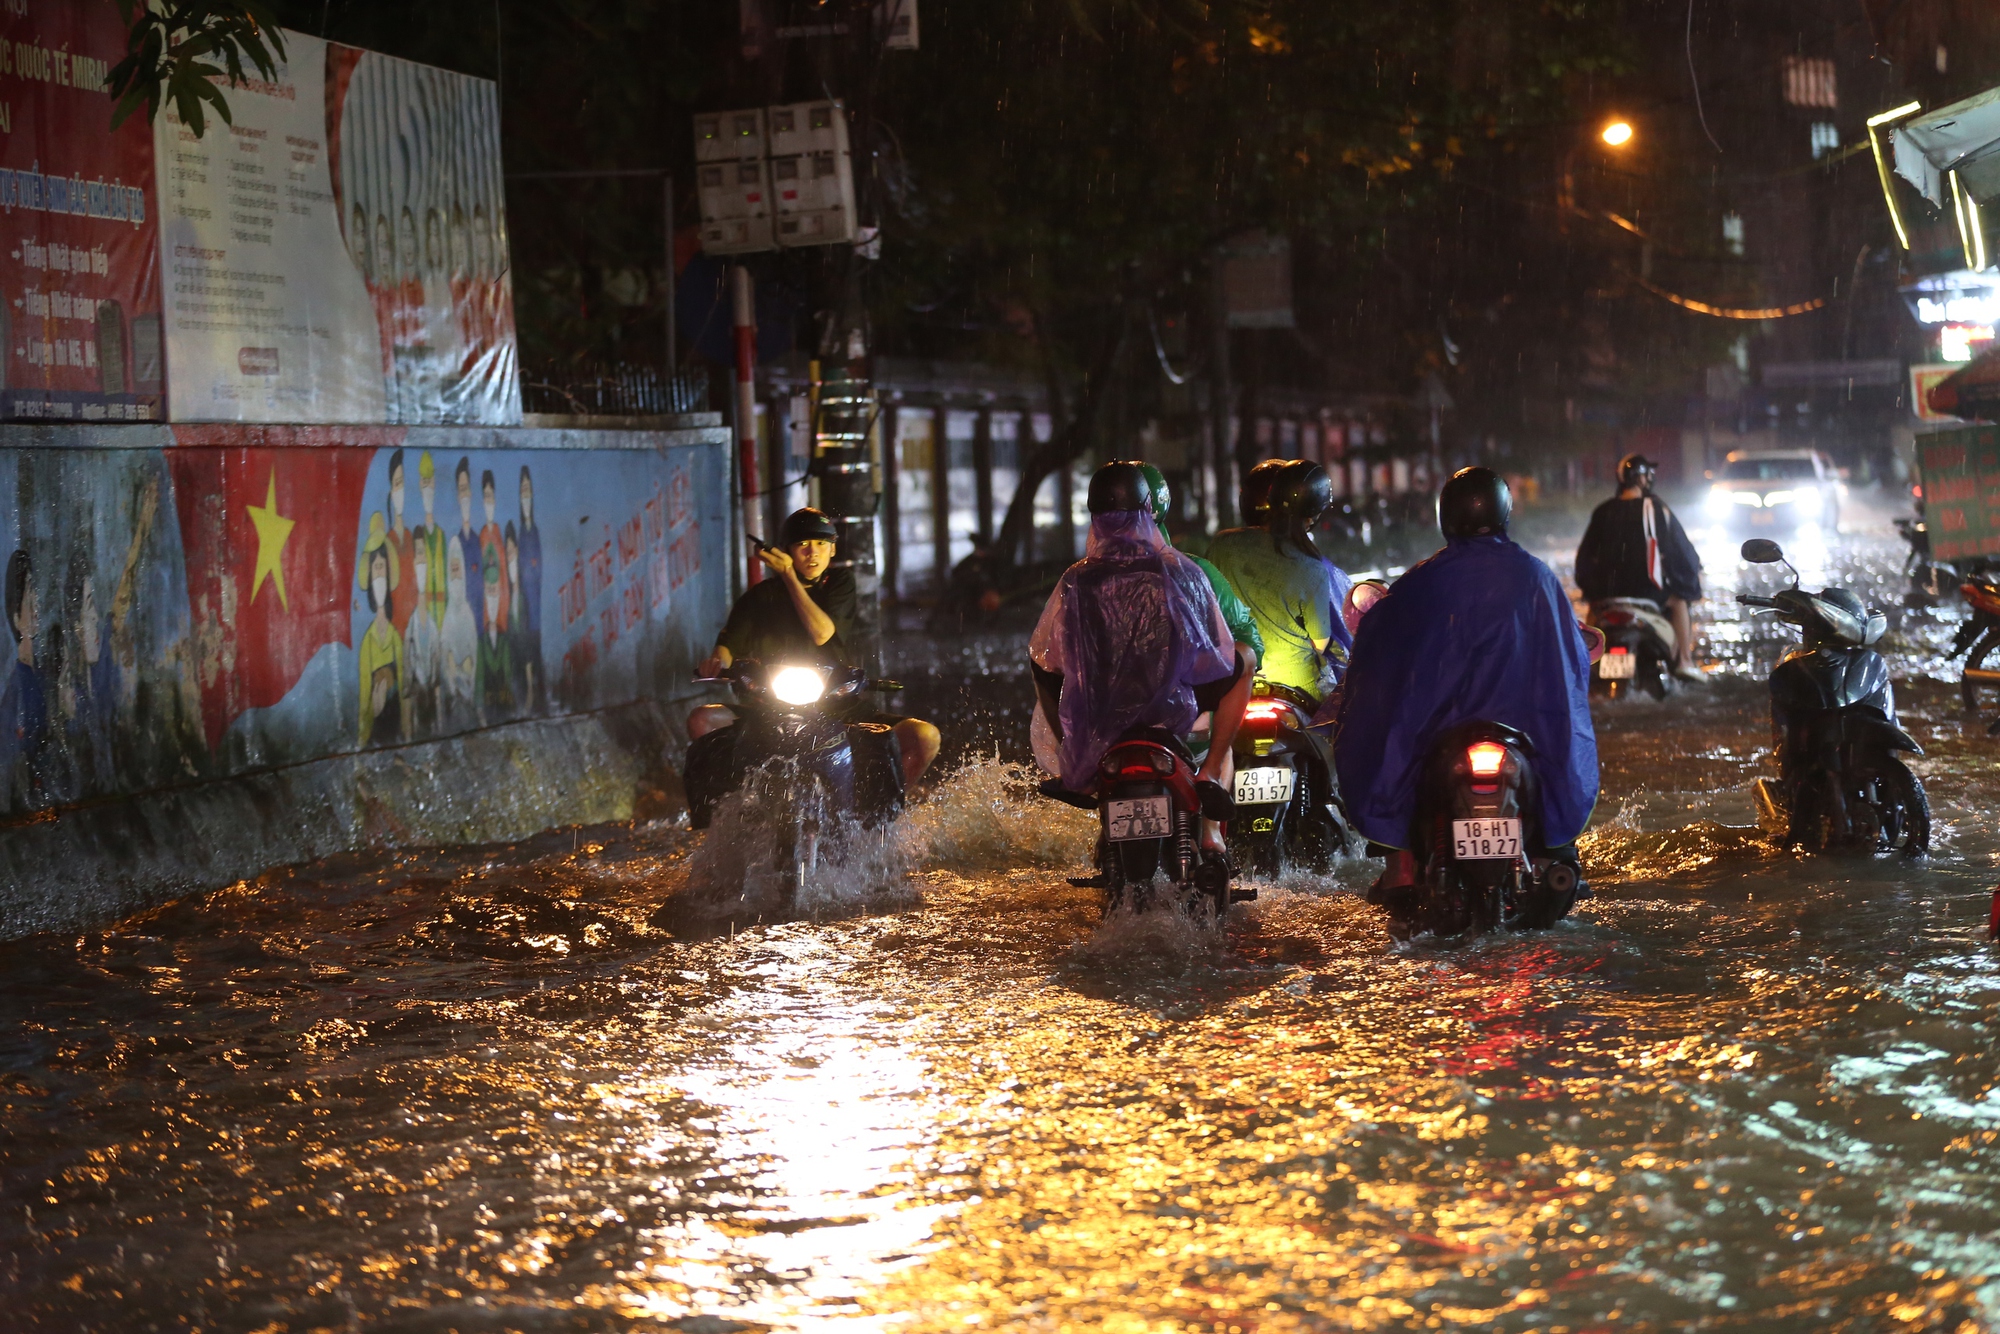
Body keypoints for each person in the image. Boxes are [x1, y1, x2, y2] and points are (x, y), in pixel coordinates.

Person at [1334, 467, 1598, 899]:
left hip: (1438, 732)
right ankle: (1558, 853)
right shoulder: (1538, 578)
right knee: (1561, 762)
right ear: (1505, 514)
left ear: (1446, 518)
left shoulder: (1420, 582)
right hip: (1522, 734)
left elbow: (1376, 660)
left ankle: (1400, 867)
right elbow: (1566, 666)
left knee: (1389, 760)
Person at [1029, 461, 1248, 852]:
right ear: (1150, 510)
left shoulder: (1078, 578)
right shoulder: (1182, 570)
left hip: (1099, 723)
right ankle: (1212, 772)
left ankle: (1072, 767)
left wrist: (1073, 736)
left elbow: (1047, 659)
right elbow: (1215, 652)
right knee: (1244, 661)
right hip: (1172, 714)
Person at [692, 507, 940, 787]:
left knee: (924, 737)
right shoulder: (760, 597)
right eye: (803, 545)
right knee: (702, 720)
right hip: (770, 707)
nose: (813, 553)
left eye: (822, 544)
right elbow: (728, 645)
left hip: (838, 706)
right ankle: (728, 809)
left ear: (832, 551)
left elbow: (822, 632)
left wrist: (789, 576)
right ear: (787, 550)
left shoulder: (839, 585)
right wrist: (716, 662)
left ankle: (887, 813)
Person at [1204, 460, 1348, 704]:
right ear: (1313, 514)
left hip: (1233, 681)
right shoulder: (1314, 569)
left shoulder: (1223, 544)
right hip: (1297, 687)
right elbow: (1322, 642)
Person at [1574, 452, 1704, 681]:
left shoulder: (1602, 511)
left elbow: (1584, 560)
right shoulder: (1656, 509)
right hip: (1647, 594)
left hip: (1607, 598)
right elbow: (1682, 554)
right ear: (1642, 478)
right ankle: (1684, 660)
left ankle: (1585, 667)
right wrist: (1691, 582)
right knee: (1680, 601)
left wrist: (1592, 591)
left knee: (1592, 616)